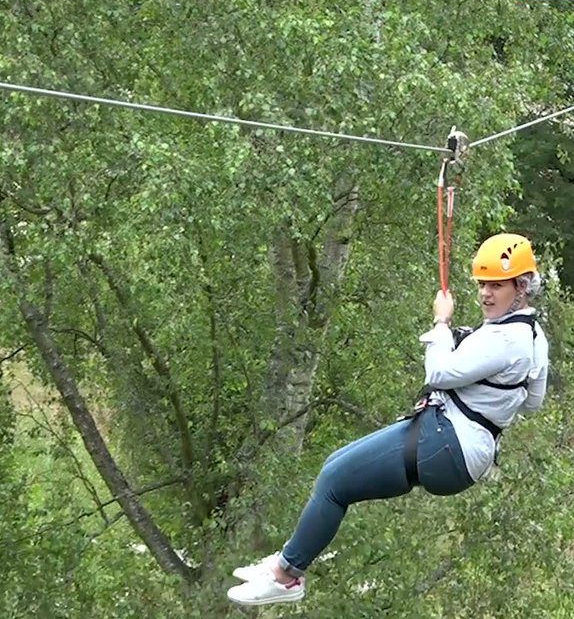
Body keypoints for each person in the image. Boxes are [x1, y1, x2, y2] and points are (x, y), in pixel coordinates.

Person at [226, 232, 551, 607]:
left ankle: (286, 577)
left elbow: (439, 374)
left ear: (522, 287)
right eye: (482, 284)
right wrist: (493, 390)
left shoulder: (504, 340)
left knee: (334, 481)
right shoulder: (532, 336)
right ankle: (287, 559)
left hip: (448, 444)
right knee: (334, 466)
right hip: (460, 447)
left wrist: (442, 324)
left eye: (496, 285)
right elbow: (532, 402)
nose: (485, 294)